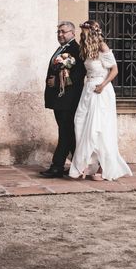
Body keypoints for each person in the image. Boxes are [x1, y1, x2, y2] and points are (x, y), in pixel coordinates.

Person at [68, 20, 132, 181]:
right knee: (81, 123)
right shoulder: (86, 48)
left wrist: (103, 85)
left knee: (100, 127)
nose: (82, 34)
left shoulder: (102, 46)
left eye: (84, 31)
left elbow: (114, 69)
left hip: (101, 91)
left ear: (92, 32)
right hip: (88, 90)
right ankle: (85, 162)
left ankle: (105, 166)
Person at [40, 21, 86, 178]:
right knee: (69, 134)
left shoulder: (76, 50)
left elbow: (78, 75)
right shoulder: (63, 48)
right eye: (58, 32)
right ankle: (80, 166)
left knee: (65, 133)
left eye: (64, 32)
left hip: (68, 99)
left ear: (73, 33)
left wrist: (57, 82)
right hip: (60, 99)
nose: (60, 34)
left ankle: (57, 166)